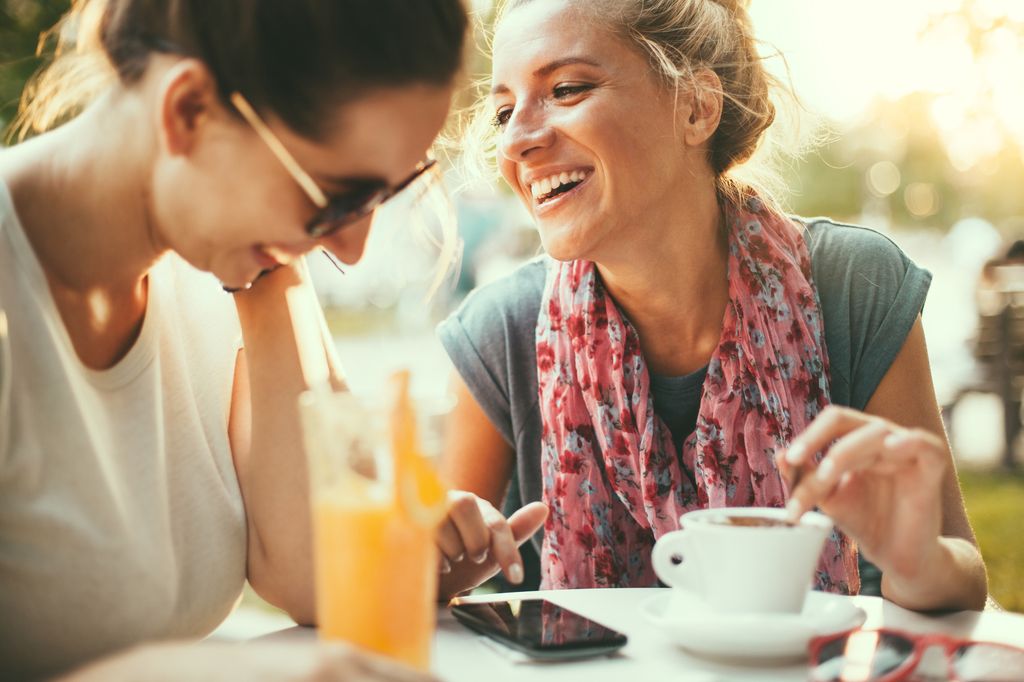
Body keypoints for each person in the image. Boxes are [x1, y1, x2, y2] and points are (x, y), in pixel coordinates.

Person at [433, 0, 988, 613]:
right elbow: (417, 591)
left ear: (696, 107)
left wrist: (918, 558)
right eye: (505, 111)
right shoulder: (501, 331)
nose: (517, 140)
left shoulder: (852, 286)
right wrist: (437, 566)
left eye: (565, 89)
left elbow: (958, 578)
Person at [0, 0, 466, 679]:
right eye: (338, 197)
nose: (353, 249)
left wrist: (276, 256)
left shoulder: (224, 259)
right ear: (188, 111)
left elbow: (318, 577)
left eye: (385, 197)